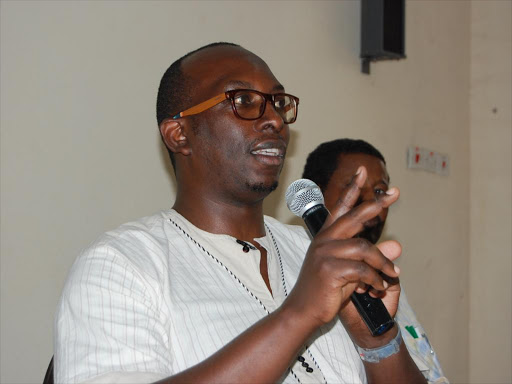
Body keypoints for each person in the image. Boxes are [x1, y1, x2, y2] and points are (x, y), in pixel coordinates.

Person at [55, 42, 427, 384]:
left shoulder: (316, 252)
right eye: (244, 101)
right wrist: (299, 313)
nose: (276, 120)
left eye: (278, 102)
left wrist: (377, 340)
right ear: (179, 134)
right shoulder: (121, 265)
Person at [302, 138, 449, 383]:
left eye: (380, 191)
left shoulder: (384, 281)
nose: (373, 204)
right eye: (355, 189)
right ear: (315, 197)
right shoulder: (300, 283)